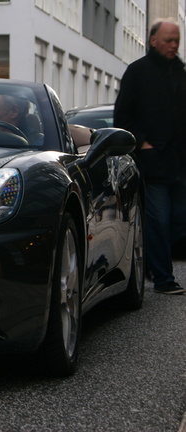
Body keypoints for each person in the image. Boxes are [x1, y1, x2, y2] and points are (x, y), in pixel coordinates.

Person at [114, 18, 186, 295]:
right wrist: (143, 143)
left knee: (178, 219)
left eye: (177, 40)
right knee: (159, 220)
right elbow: (122, 116)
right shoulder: (137, 72)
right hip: (154, 163)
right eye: (168, 40)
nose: (173, 45)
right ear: (153, 39)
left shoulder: (180, 73)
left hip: (180, 163)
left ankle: (151, 268)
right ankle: (163, 278)